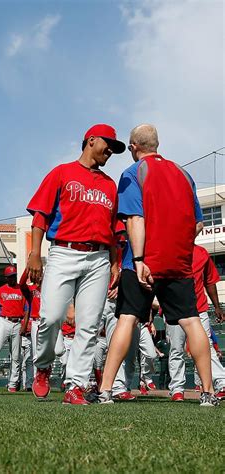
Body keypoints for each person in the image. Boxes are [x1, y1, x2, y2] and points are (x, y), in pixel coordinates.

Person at [98, 124, 219, 407]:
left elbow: (134, 219)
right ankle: (208, 393)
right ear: (157, 144)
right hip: (177, 261)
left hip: (140, 261)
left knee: (127, 319)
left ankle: (105, 390)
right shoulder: (183, 174)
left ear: (133, 147)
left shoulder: (132, 173)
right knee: (191, 320)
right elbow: (198, 223)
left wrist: (140, 259)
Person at [26, 124, 124, 404]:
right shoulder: (62, 172)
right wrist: (35, 252)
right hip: (64, 252)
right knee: (51, 317)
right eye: (108, 145)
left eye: (116, 149)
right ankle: (43, 366)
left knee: (89, 325)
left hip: (99, 258)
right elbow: (41, 214)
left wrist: (115, 264)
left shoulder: (109, 184)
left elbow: (115, 231)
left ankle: (75, 385)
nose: (111, 151)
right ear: (91, 140)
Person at [167, 244, 225, 401]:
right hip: (175, 308)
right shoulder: (169, 249)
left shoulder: (201, 252)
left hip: (199, 308)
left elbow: (210, 281)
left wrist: (217, 307)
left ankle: (221, 382)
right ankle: (177, 389)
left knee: (207, 346)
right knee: (176, 349)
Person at [0, 266, 28, 392]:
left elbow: (26, 310)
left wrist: (24, 325)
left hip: (17, 322)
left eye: (14, 275)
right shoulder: (0, 290)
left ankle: (13, 384)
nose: (12, 278)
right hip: (4, 321)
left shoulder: (22, 289)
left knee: (16, 356)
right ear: (6, 278)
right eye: (10, 276)